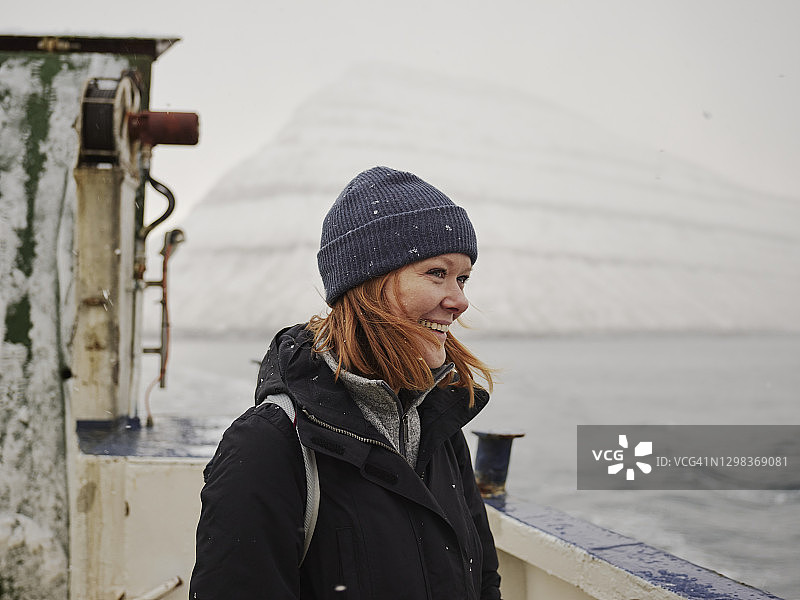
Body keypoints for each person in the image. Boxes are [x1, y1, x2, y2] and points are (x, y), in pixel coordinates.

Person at [190, 166, 502, 599]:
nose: (460, 301)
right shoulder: (269, 445)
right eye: (437, 273)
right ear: (367, 283)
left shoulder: (437, 422)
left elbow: (482, 578)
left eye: (463, 278)